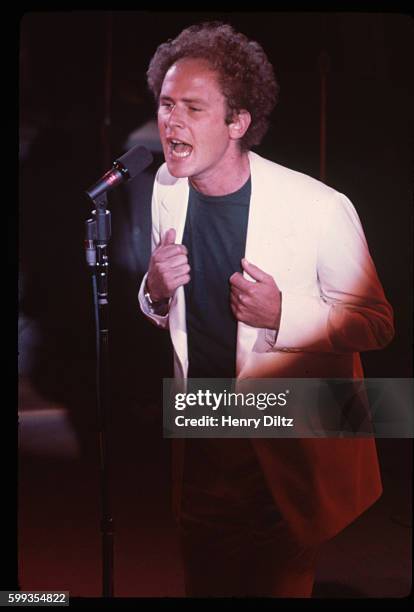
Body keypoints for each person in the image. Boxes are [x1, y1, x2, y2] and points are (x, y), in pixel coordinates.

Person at [138, 22, 394, 597]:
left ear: (238, 123)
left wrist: (283, 314)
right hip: (202, 438)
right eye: (166, 104)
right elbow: (167, 306)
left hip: (282, 446)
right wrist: (154, 289)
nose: (172, 122)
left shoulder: (320, 208)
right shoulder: (166, 186)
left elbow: (377, 324)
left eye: (194, 109)